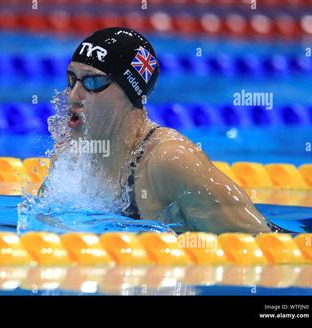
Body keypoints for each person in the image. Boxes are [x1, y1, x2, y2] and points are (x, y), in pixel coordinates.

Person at [54, 27, 270, 234]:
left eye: (93, 81)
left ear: (131, 93)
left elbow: (261, 244)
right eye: (72, 79)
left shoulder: (169, 161)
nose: (74, 95)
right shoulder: (72, 156)